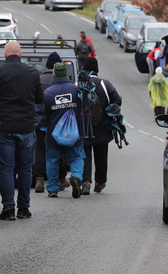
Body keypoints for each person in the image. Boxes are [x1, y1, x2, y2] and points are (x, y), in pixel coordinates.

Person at [0, 41, 44, 221]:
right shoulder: (32, 73)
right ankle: (24, 208)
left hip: (5, 127)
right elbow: (39, 98)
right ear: (21, 54)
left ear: (5, 55)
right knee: (25, 169)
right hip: (26, 127)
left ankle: (8, 208)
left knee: (7, 168)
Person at [38, 62, 85, 199]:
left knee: (52, 160)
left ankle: (53, 188)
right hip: (73, 134)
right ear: (66, 74)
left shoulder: (48, 93)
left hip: (53, 135)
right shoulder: (76, 90)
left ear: (54, 75)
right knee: (76, 157)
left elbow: (41, 113)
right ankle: (76, 176)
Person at [79, 57, 122, 195]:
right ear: (97, 70)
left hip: (84, 126)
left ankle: (85, 182)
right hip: (102, 126)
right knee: (101, 154)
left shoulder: (79, 84)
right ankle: (99, 182)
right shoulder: (104, 84)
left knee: (84, 154)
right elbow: (117, 100)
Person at [34, 52, 68, 194]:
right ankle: (61, 179)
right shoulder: (63, 83)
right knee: (59, 151)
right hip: (58, 125)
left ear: (47, 66)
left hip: (40, 123)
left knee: (40, 150)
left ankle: (39, 180)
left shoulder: (38, 80)